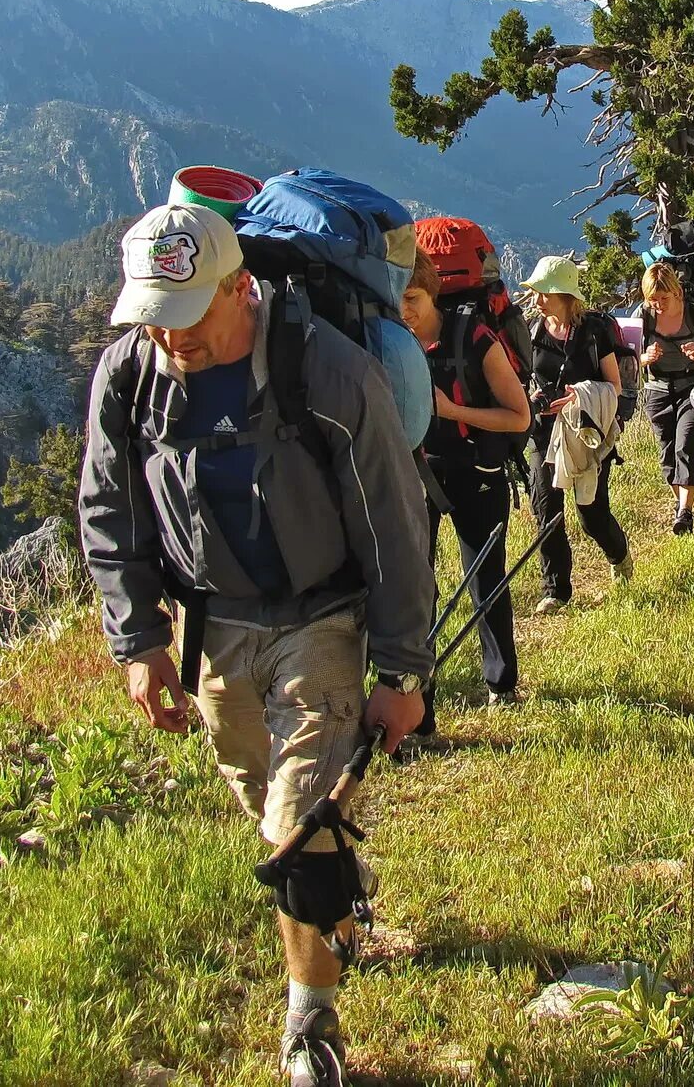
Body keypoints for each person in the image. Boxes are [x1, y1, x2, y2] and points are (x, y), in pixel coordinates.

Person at [78, 203, 433, 1087]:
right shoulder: (131, 376)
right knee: (256, 787)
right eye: (151, 317)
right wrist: (138, 641)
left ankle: (310, 1025)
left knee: (293, 828)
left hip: (320, 621)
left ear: (239, 288)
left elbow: (393, 520)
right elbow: (108, 510)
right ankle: (335, 895)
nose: (168, 338)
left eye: (186, 314)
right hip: (213, 629)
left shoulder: (330, 372)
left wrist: (403, 668)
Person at [401, 252, 532, 704]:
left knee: (485, 578)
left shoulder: (473, 336)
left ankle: (501, 685)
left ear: (432, 292)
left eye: (413, 297)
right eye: (396, 298)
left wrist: (454, 412)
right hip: (415, 471)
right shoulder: (392, 340)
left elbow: (519, 417)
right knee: (417, 589)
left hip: (477, 470)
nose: (405, 310)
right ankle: (419, 704)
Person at [519, 255, 633, 614]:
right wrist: (534, 399)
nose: (538, 301)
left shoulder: (594, 332)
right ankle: (556, 591)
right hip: (544, 434)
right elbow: (520, 379)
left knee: (592, 514)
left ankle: (620, 556)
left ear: (566, 295)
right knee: (546, 510)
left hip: (586, 434)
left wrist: (578, 396)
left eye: (545, 294)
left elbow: (613, 386)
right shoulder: (532, 332)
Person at [638, 259, 694, 535]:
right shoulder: (644, 315)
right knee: (667, 454)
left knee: (685, 445)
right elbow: (625, 358)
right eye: (653, 299)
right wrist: (645, 358)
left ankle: (685, 512)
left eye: (662, 298)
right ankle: (681, 507)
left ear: (676, 292)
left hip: (692, 389)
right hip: (658, 391)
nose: (658, 305)